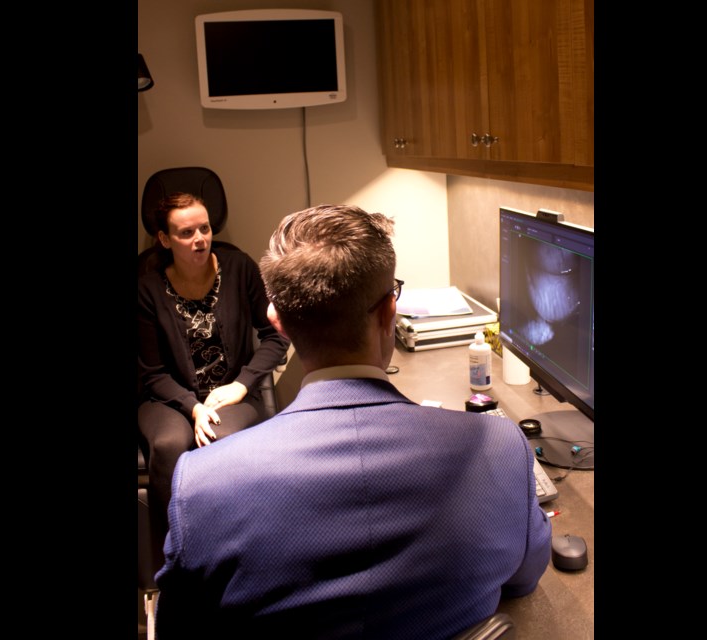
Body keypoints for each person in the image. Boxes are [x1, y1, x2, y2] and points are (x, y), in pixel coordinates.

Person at [154, 204, 552, 639]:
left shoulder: (202, 483)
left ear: (278, 322)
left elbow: (181, 628)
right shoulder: (496, 446)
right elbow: (524, 577)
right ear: (389, 313)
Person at [137, 192, 290, 568]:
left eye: (204, 228)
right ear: (164, 239)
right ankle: (170, 567)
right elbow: (151, 373)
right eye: (186, 232)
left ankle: (235, 561)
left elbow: (276, 337)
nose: (200, 239)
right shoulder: (146, 287)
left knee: (222, 444)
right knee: (171, 444)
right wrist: (193, 408)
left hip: (231, 394)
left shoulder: (239, 268)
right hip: (168, 399)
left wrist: (243, 383)